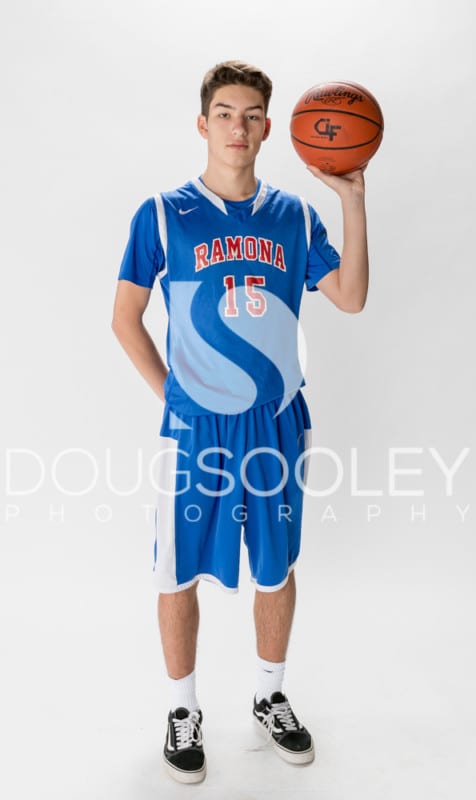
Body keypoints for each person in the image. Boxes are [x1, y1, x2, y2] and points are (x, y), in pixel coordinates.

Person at [112, 60, 368, 785]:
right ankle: (182, 709)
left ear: (269, 128)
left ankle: (269, 695)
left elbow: (350, 296)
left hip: (276, 423)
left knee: (276, 567)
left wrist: (352, 199)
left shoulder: (294, 216)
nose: (238, 126)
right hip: (197, 428)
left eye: (252, 115)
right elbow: (125, 317)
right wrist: (174, 396)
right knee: (176, 570)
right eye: (225, 113)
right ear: (203, 124)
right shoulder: (162, 214)